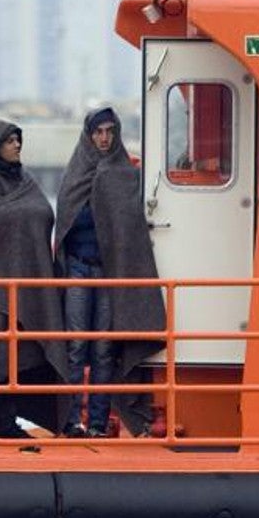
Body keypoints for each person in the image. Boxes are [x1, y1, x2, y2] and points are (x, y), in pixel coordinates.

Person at [54, 107, 166, 437]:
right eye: (98, 132)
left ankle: (99, 424)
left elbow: (128, 228)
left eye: (109, 132)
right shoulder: (74, 173)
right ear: (88, 135)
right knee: (76, 346)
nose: (104, 138)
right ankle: (73, 420)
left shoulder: (125, 174)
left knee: (103, 349)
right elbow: (63, 225)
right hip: (77, 268)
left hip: (108, 272)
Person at [0, 120, 68, 439]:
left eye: (18, 139)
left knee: (20, 354)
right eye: (9, 140)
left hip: (29, 282)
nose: (17, 145)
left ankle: (7, 424)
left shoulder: (26, 179)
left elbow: (38, 214)